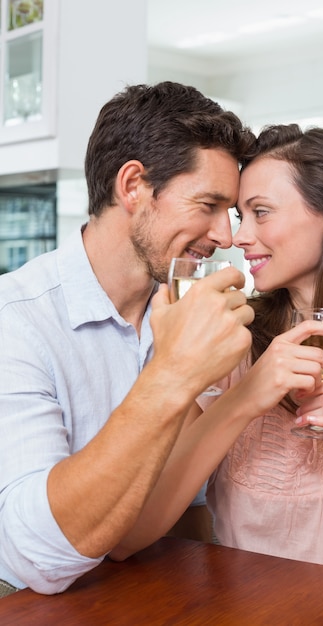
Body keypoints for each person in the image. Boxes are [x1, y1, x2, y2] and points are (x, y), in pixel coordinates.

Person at [110, 124, 323, 581]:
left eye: (261, 212)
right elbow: (131, 534)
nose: (238, 237)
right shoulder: (230, 338)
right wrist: (246, 395)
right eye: (240, 215)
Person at [0, 81, 257, 595]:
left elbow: (197, 504)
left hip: (157, 586)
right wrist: (175, 373)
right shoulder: (17, 319)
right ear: (134, 185)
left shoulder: (189, 307)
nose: (226, 236)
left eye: (231, 212)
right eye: (208, 204)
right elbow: (36, 556)